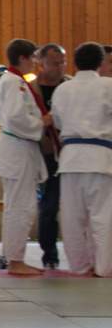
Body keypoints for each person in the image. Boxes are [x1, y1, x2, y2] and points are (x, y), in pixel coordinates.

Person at [51, 42, 112, 277]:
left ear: (75, 63)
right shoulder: (108, 86)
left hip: (71, 159)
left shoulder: (63, 89)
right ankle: (105, 267)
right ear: (101, 62)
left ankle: (78, 267)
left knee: (72, 218)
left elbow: (57, 122)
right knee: (103, 216)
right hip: (101, 158)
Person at [0, 38, 49, 275]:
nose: (35, 62)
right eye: (33, 57)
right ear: (23, 58)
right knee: (21, 207)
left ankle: (13, 257)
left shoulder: (13, 80)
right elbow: (16, 117)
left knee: (17, 206)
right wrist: (41, 122)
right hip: (17, 148)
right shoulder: (13, 82)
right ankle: (15, 260)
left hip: (18, 148)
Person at [32, 43, 69, 269]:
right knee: (49, 206)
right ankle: (50, 255)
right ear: (41, 63)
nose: (60, 67)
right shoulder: (31, 89)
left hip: (71, 152)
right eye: (55, 63)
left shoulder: (71, 86)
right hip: (45, 154)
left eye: (63, 62)